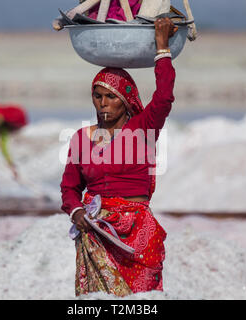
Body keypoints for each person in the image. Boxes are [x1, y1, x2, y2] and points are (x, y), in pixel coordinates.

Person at [60, 18, 177, 296]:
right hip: (96, 231)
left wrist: (162, 47)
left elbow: (164, 97)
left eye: (110, 97)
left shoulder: (143, 129)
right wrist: (76, 211)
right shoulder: (81, 138)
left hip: (137, 233)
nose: (102, 103)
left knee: (139, 302)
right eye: (97, 96)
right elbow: (69, 187)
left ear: (125, 100)